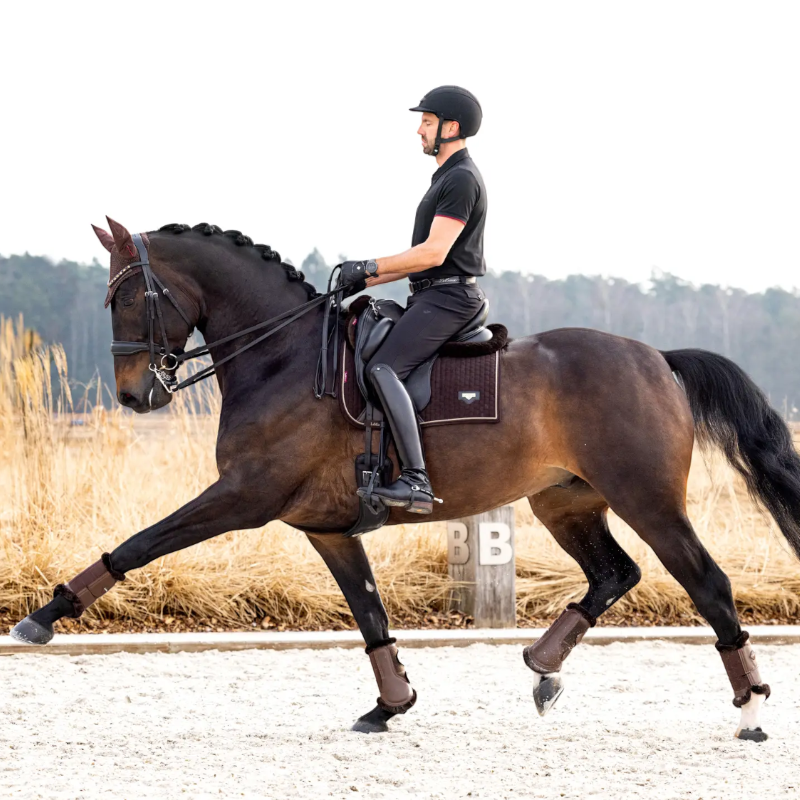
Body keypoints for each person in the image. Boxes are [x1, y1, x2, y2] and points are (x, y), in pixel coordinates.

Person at [338, 85, 487, 514]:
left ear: (450, 127)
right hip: (433, 293)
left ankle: (416, 481)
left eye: (426, 121)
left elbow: (434, 254)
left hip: (450, 299)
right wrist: (364, 282)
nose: (417, 130)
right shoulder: (445, 177)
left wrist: (369, 265)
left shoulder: (460, 178)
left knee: (385, 367)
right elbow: (421, 262)